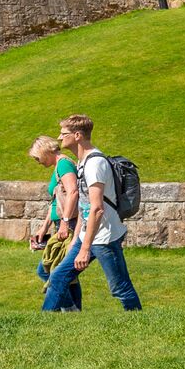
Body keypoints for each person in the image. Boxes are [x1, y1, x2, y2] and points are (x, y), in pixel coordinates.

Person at [43, 114, 143, 312]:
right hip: (87, 234)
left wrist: (85, 248)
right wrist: (77, 240)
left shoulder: (95, 164)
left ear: (78, 135)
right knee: (58, 278)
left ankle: (138, 322)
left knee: (120, 287)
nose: (59, 137)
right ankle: (44, 323)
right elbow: (85, 206)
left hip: (103, 236)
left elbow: (97, 208)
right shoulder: (82, 162)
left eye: (64, 133)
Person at [28, 134, 81, 309]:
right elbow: (56, 201)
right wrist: (44, 228)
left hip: (70, 226)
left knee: (46, 270)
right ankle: (74, 310)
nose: (37, 161)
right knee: (68, 276)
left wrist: (65, 223)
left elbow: (73, 192)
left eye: (37, 157)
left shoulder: (64, 164)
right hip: (62, 225)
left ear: (45, 151)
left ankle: (69, 309)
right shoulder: (58, 166)